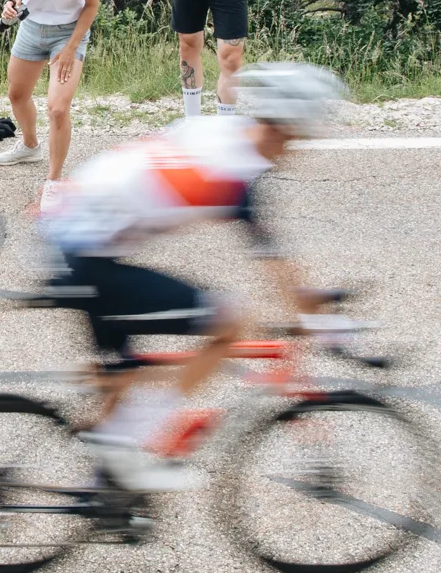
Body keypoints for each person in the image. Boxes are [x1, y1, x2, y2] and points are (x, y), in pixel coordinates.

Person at [37, 62, 346, 494]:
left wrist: (308, 304)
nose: (296, 148)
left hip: (69, 239)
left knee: (122, 378)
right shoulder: (232, 169)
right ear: (285, 126)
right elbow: (272, 260)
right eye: (297, 137)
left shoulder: (217, 132)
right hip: (84, 255)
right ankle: (133, 446)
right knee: (230, 323)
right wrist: (324, 323)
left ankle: (103, 487)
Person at [0, 0, 101, 182]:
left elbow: (92, 5)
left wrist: (70, 48)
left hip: (68, 32)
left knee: (57, 108)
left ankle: (54, 182)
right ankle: (30, 146)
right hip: (32, 27)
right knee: (17, 95)